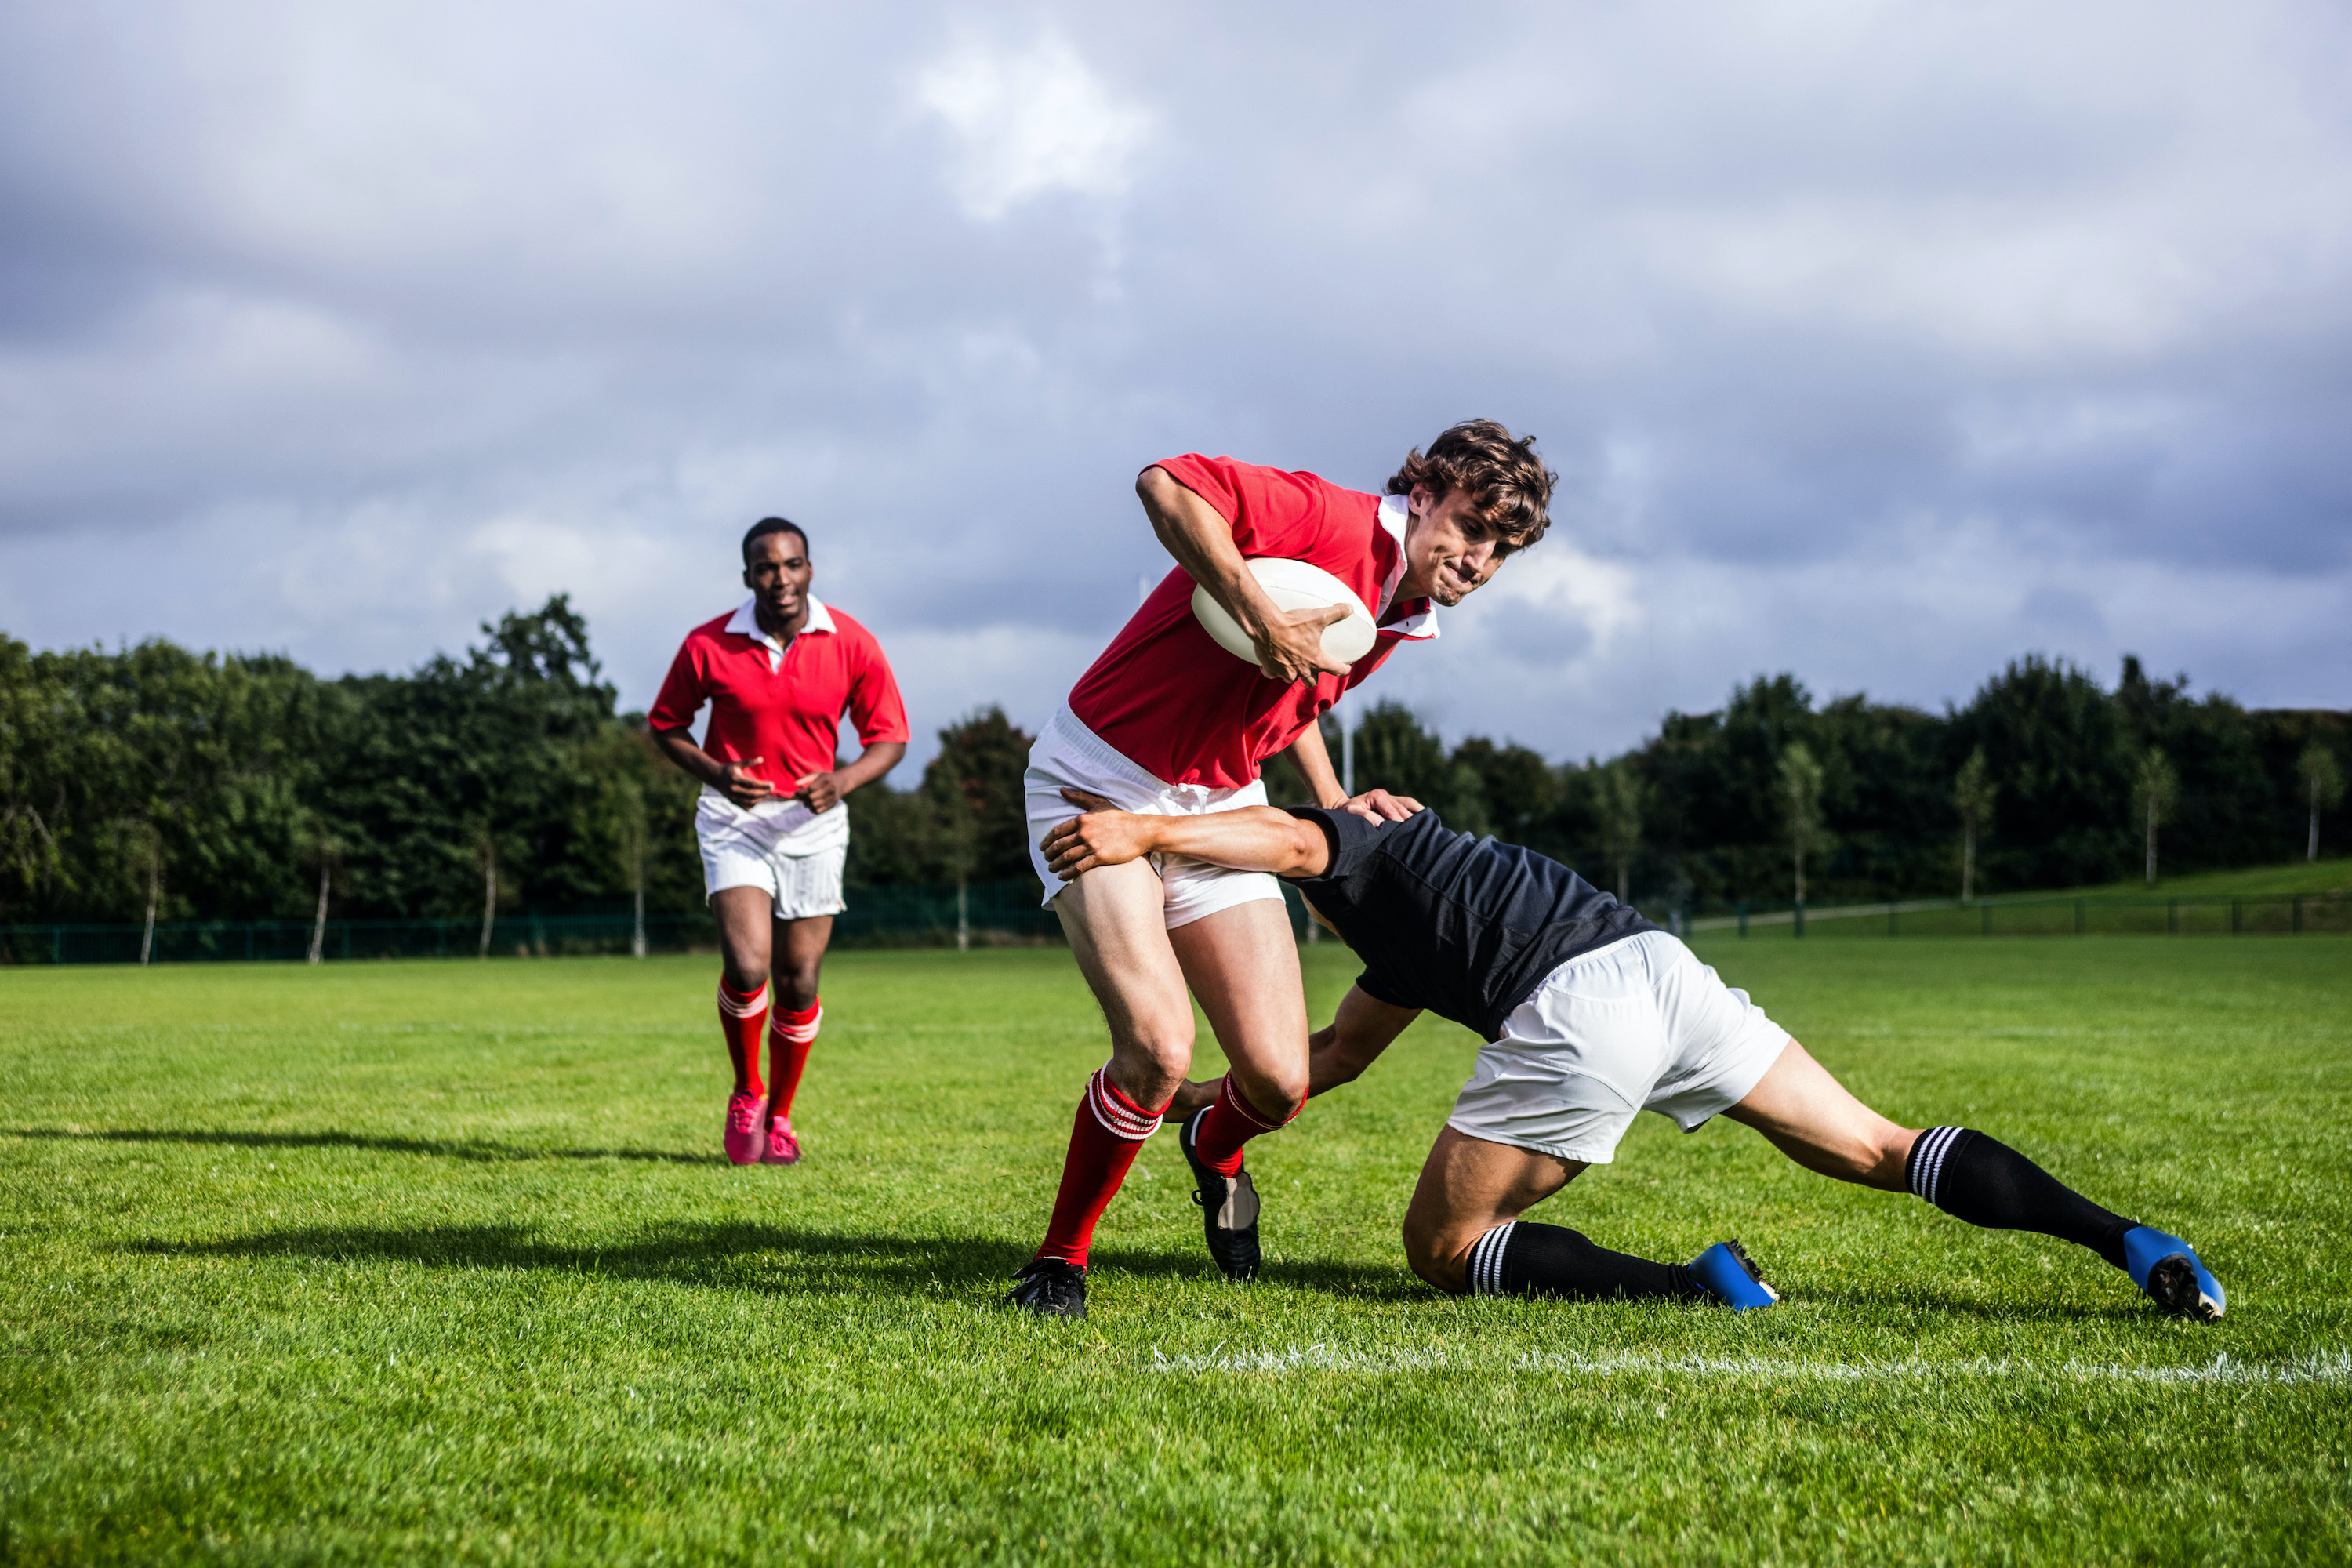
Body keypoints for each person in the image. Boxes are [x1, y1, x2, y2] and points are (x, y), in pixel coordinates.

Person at [1038, 791, 2227, 1321]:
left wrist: (1151, 830)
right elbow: (1334, 1057)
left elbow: (1294, 838)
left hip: (1577, 1007)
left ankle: (1695, 1288)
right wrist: (1194, 1104)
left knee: (1441, 1251)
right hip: (1665, 971)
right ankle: (2127, 1241)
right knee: (1879, 1145)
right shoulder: (1413, 930)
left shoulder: (1367, 847)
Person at [1003, 421, 1558, 1320]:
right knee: (1157, 1048)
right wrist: (1258, 614)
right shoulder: (1325, 516)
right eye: (1470, 526)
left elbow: (1292, 690)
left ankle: (1215, 1148)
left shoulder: (1404, 607)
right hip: (1096, 782)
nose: (1479, 559)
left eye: (1501, 549)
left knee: (1276, 1079)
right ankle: (1060, 1261)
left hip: (1221, 803)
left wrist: (1335, 799)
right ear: (1423, 496)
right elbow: (1164, 482)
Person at [649, 517, 909, 1167]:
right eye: (766, 568)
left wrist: (843, 780)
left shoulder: (850, 641)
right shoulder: (708, 643)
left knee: (798, 980)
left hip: (814, 824)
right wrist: (716, 773)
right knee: (748, 967)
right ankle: (747, 1092)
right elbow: (666, 725)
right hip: (733, 820)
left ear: (810, 570)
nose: (781, 578)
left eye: (792, 565)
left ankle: (784, 1115)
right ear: (748, 577)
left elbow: (891, 738)